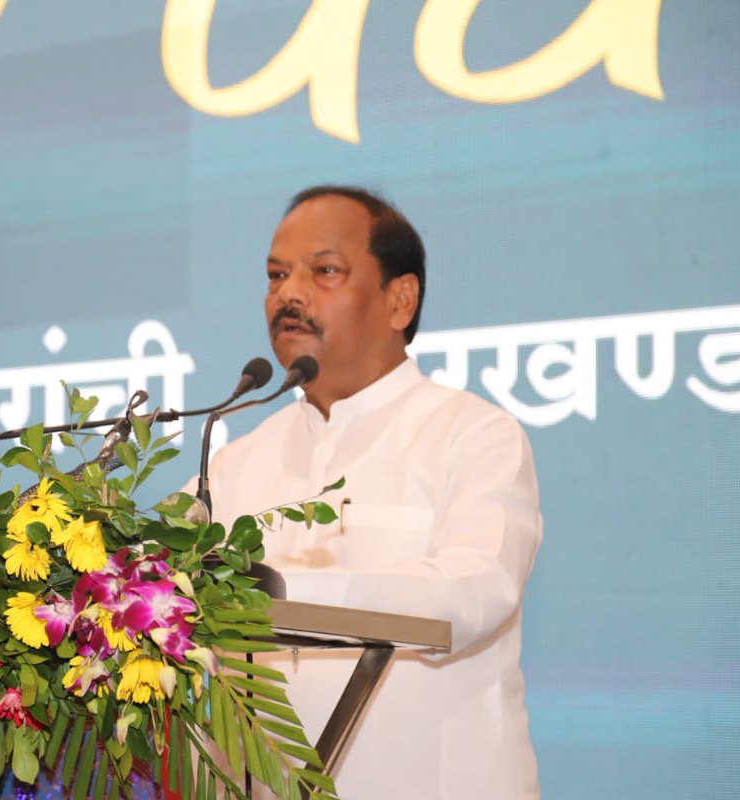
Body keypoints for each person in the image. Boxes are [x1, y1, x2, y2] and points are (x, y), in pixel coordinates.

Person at [201, 185, 542, 798]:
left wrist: (281, 595)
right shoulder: (233, 464)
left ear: (399, 299)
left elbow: (472, 591)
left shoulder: (474, 435)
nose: (290, 294)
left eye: (324, 271)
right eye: (276, 275)